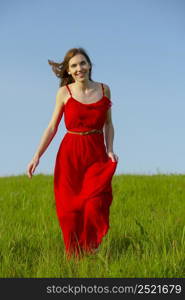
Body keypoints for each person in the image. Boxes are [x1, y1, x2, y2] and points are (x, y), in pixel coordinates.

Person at [27, 47, 119, 260]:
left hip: (96, 153)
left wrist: (110, 149)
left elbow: (109, 124)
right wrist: (36, 156)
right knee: (70, 210)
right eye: (74, 66)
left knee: (95, 204)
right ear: (68, 71)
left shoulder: (105, 90)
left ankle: (91, 247)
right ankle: (75, 257)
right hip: (70, 156)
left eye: (83, 63)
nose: (79, 69)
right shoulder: (64, 93)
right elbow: (52, 127)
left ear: (89, 65)